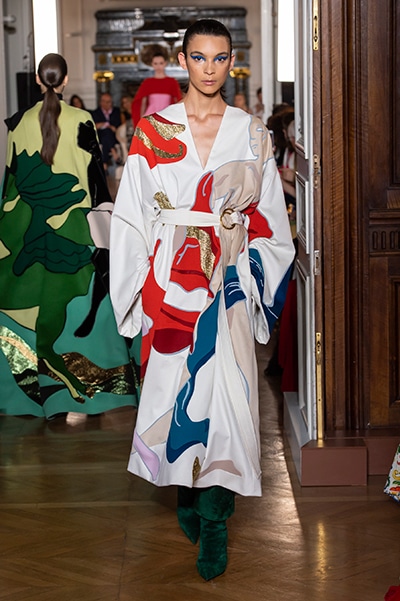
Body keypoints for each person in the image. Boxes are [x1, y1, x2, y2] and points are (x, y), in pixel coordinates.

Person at [110, 19, 295, 580]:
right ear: (183, 60)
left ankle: (216, 519)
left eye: (219, 58)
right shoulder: (153, 130)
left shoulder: (253, 133)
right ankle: (186, 492)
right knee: (174, 395)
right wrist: (135, 291)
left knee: (229, 400)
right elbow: (131, 217)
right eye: (198, 57)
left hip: (229, 282)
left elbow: (270, 219)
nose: (209, 68)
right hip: (169, 284)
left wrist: (251, 273)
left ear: (231, 62)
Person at [0, 53, 140, 419]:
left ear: (37, 79)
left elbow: (12, 182)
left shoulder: (19, 123)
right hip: (74, 231)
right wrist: (109, 221)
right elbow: (95, 179)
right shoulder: (82, 120)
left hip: (31, 233)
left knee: (30, 312)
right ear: (64, 82)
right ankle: (91, 391)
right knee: (88, 310)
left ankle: (33, 394)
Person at [131, 51, 182, 127]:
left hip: (167, 116)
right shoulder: (147, 82)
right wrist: (141, 120)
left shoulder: (172, 82)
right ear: (152, 64)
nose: (158, 66)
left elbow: (177, 101)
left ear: (165, 63)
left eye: (161, 63)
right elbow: (142, 102)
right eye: (155, 63)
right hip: (151, 116)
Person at [91, 92, 122, 170]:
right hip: (101, 136)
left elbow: (118, 126)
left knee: (107, 133)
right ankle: (113, 151)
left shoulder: (117, 112)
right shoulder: (95, 113)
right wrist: (102, 125)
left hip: (114, 135)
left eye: (108, 102)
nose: (106, 104)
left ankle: (104, 163)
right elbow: (93, 126)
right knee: (106, 133)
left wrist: (112, 127)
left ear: (112, 102)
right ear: (100, 102)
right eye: (104, 101)